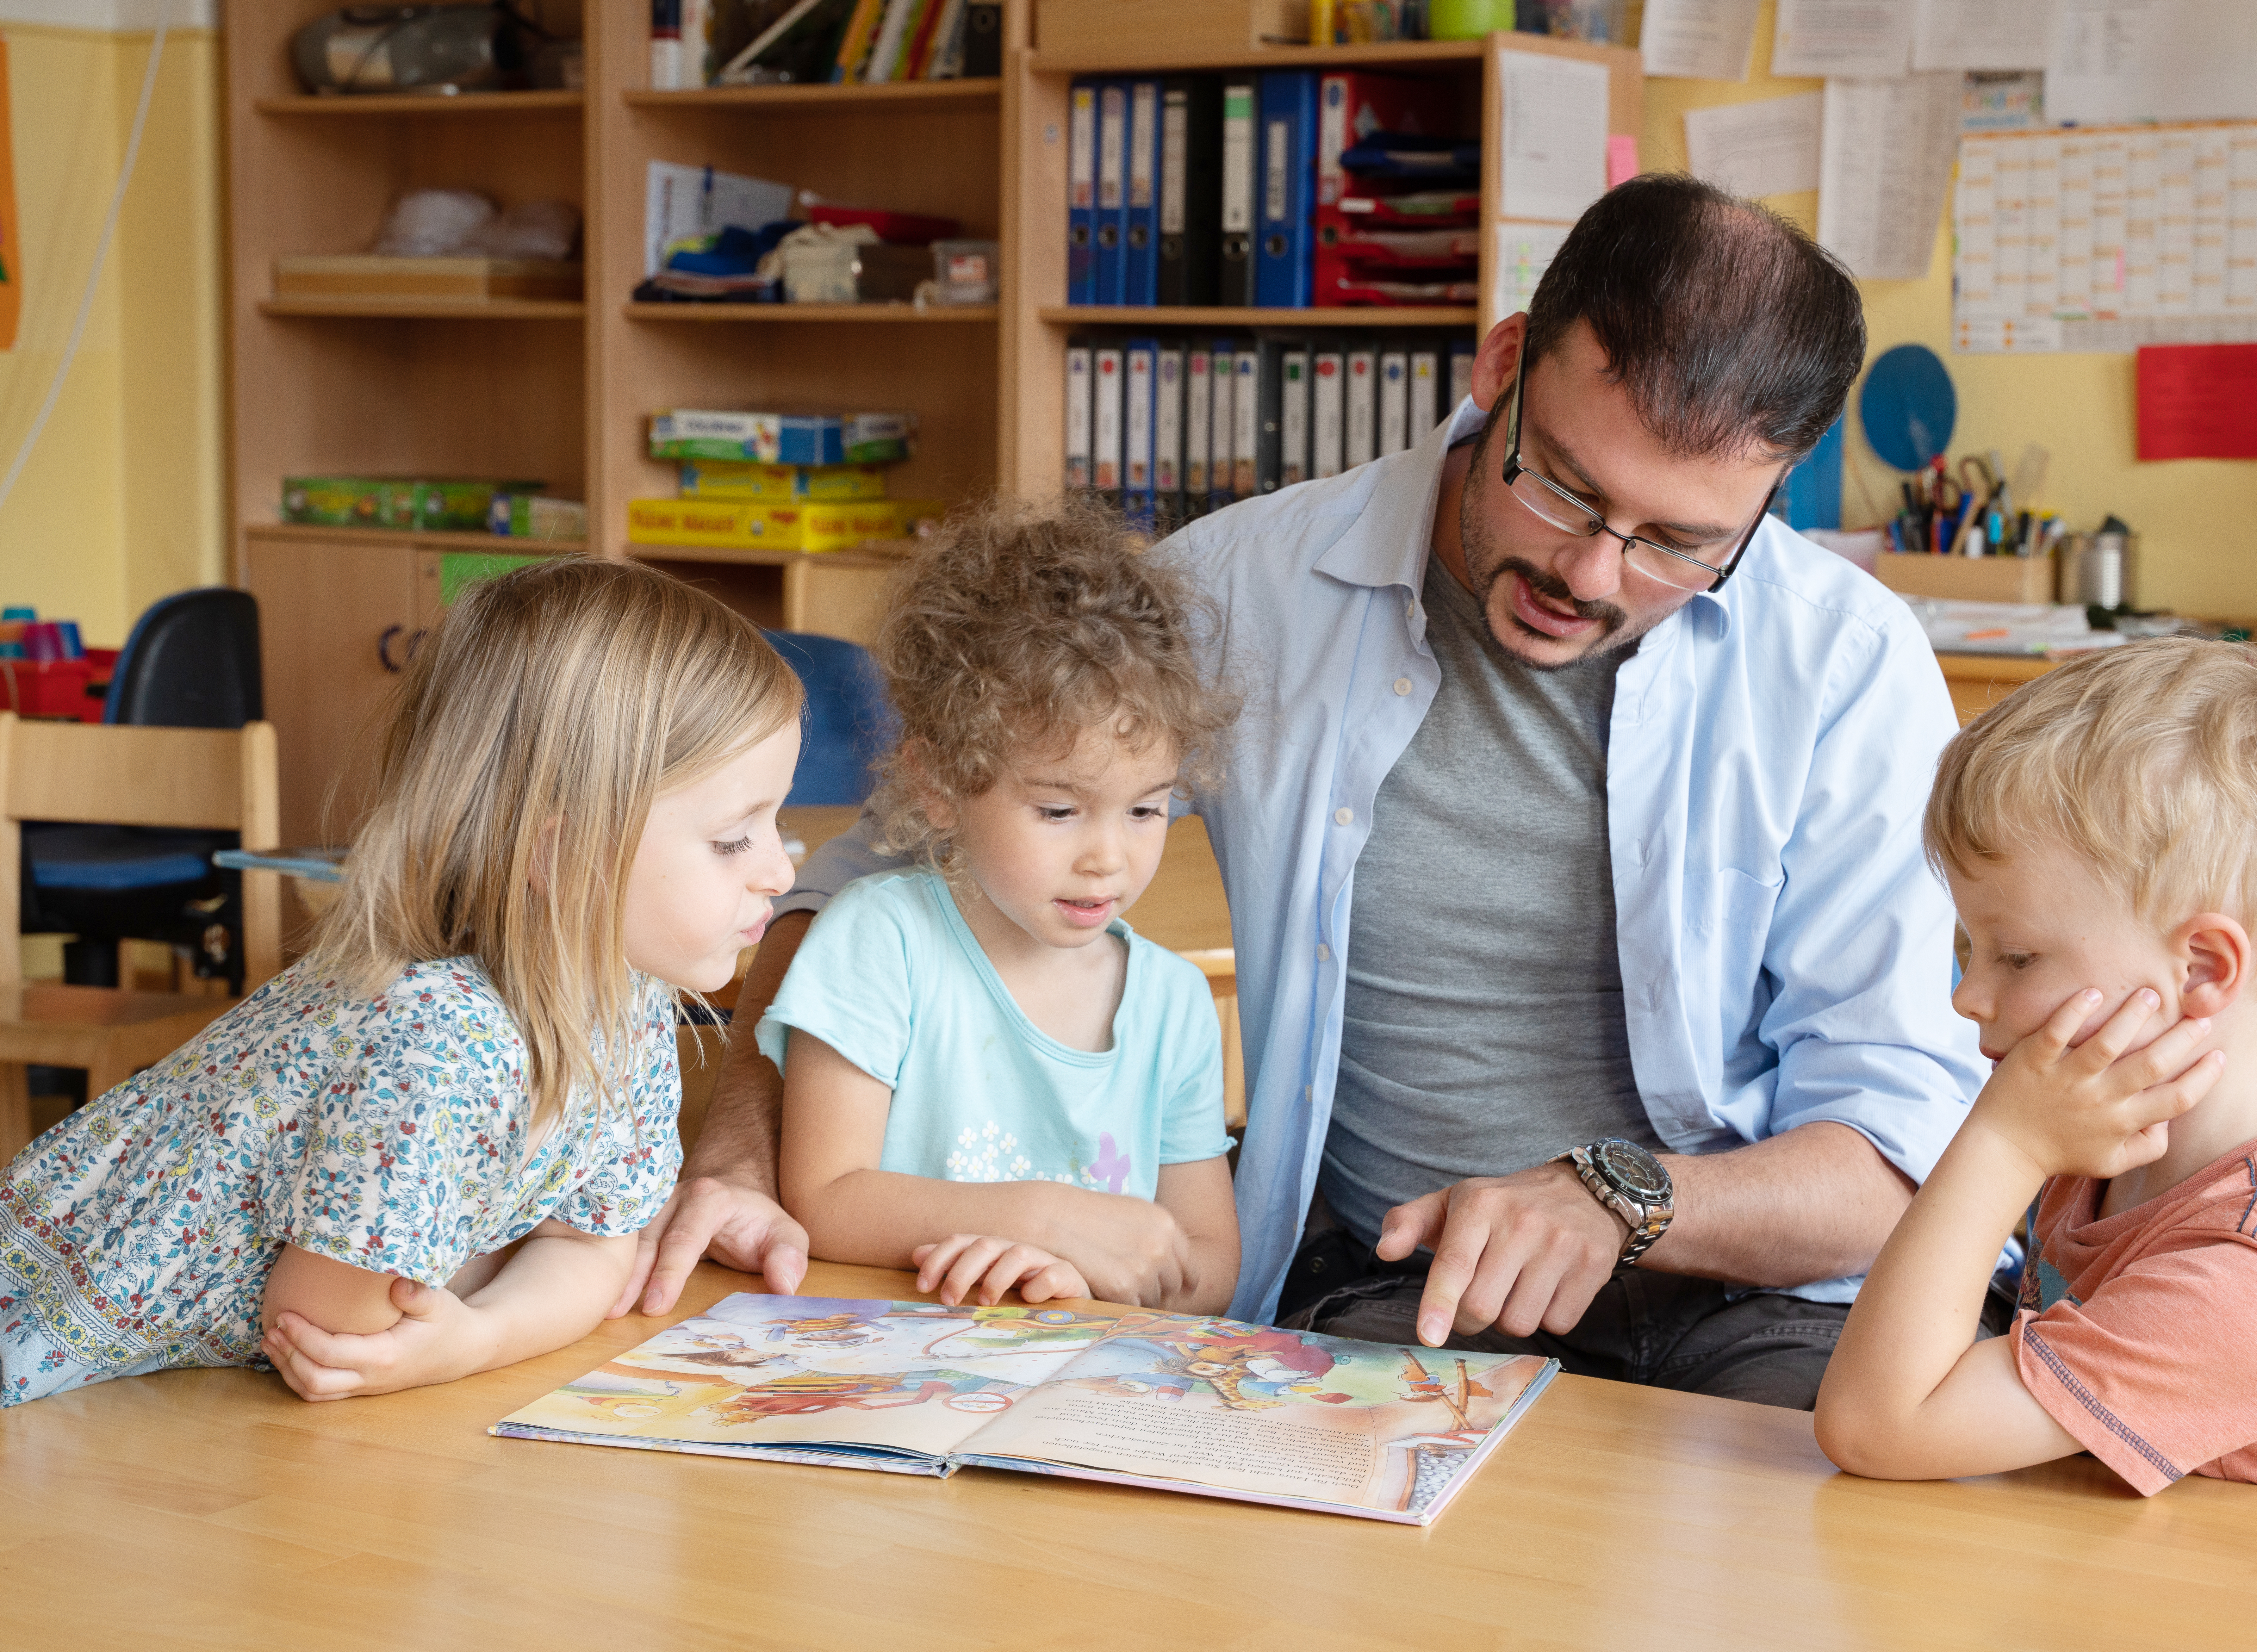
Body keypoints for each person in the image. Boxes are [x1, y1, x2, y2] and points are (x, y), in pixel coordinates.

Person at [661, 174, 1987, 1409]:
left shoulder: (1845, 669)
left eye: (1679, 544)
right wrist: (732, 1153)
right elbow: (865, 878)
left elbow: (1899, 1155)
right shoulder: (1241, 588)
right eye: (1565, 488)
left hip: (1758, 1306)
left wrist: (1621, 1198)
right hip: (1402, 1291)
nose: (1592, 574)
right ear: (1503, 368)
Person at [0, 558, 802, 1405]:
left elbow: (596, 1249)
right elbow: (323, 1334)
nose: (782, 872)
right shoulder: (438, 1039)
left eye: (775, 823)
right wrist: (490, 1283)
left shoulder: (629, 997)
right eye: (733, 838)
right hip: (38, 1361)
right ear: (559, 855)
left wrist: (479, 1336)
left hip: (139, 1397)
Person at [1814, 640, 2257, 1510]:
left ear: (2204, 970)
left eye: (2018, 956)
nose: (1968, 996)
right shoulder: (2100, 1145)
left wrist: (2003, 1140)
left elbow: (1875, 1424)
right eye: (1967, 948)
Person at [766, 500, 1242, 1313]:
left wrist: (1089, 1281)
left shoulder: (1173, 1003)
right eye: (1059, 811)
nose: (1109, 857)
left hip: (1081, 1386)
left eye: (1146, 809)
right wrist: (1041, 1217)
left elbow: (1208, 1263)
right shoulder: (879, 942)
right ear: (940, 783)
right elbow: (823, 1195)